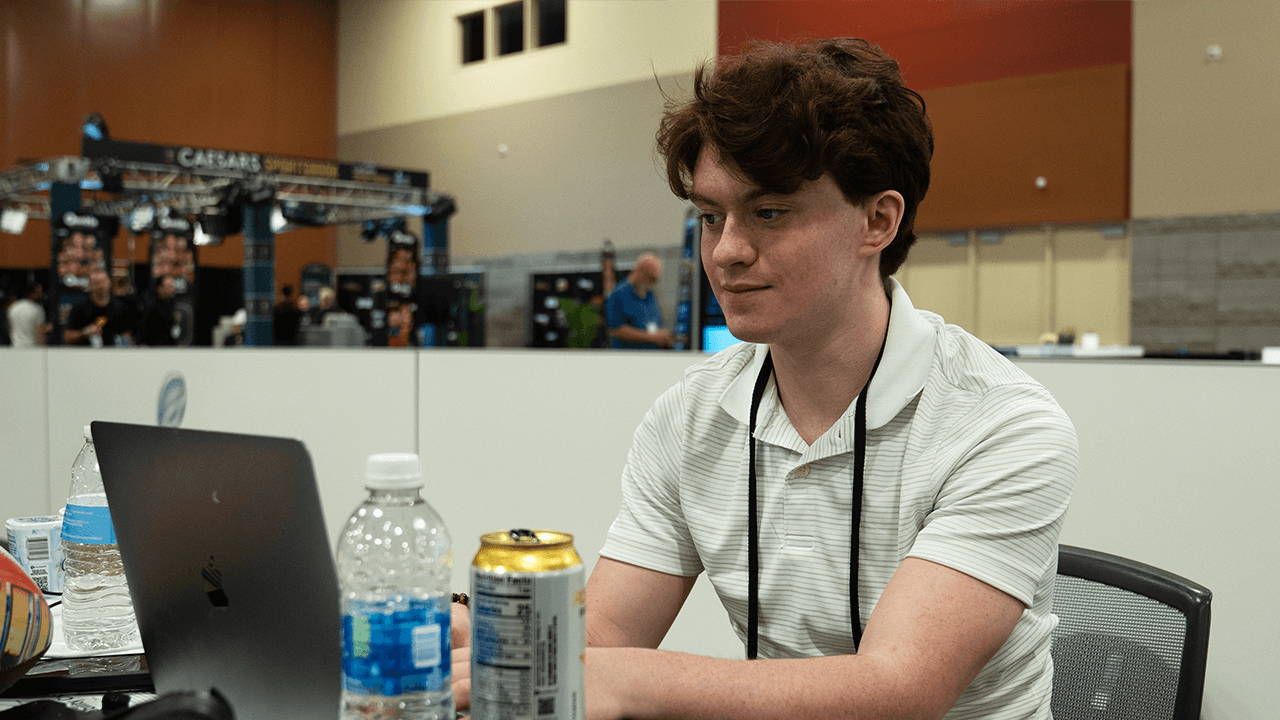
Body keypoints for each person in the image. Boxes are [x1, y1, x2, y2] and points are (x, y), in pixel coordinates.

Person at [452, 38, 1077, 720]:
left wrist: (623, 681)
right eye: (711, 217)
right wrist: (488, 636)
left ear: (878, 220)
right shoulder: (691, 415)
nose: (726, 252)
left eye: (769, 213)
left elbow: (900, 690)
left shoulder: (1001, 424)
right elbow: (604, 638)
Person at [604, 253, 674, 349]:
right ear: (640, 272)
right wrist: (652, 337)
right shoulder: (618, 294)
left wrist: (663, 337)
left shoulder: (651, 296)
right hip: (629, 358)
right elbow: (617, 330)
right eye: (651, 278)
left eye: (656, 280)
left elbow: (655, 325)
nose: (652, 283)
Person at [65, 270, 133, 347]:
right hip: (85, 354)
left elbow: (127, 335)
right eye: (96, 283)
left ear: (109, 283)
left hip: (113, 354)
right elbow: (67, 338)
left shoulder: (121, 308)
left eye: (103, 282)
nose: (101, 286)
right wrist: (86, 332)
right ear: (89, 285)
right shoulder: (79, 308)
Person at [136, 276, 179, 347]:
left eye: (172, 286)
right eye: (169, 286)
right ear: (159, 288)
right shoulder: (151, 306)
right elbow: (142, 331)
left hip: (170, 349)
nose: (172, 289)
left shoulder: (172, 304)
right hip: (155, 350)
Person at [7, 281, 50, 347]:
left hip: (15, 347)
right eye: (39, 292)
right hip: (32, 348)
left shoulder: (13, 307)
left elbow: (10, 328)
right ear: (32, 293)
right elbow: (40, 333)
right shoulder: (37, 309)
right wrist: (43, 349)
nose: (41, 295)